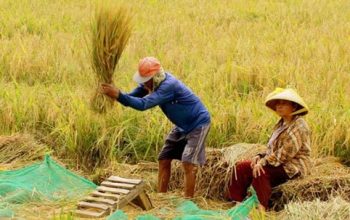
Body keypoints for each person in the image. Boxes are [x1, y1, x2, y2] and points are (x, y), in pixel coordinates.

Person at [101, 57, 211, 198]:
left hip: (197, 124)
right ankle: (161, 198)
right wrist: (115, 95)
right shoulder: (150, 84)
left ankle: (188, 202)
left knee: (188, 162)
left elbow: (142, 105)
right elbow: (130, 97)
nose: (143, 84)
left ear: (155, 76)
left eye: (145, 80)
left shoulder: (168, 86)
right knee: (164, 158)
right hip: (181, 126)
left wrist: (119, 95)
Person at [226, 88, 311, 210]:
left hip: (293, 166)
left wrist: (264, 161)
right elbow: (272, 149)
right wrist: (260, 156)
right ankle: (237, 203)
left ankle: (261, 208)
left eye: (283, 103)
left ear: (294, 107)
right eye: (278, 103)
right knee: (241, 167)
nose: (279, 106)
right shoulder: (280, 124)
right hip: (276, 162)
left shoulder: (299, 125)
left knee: (261, 171)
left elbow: (286, 153)